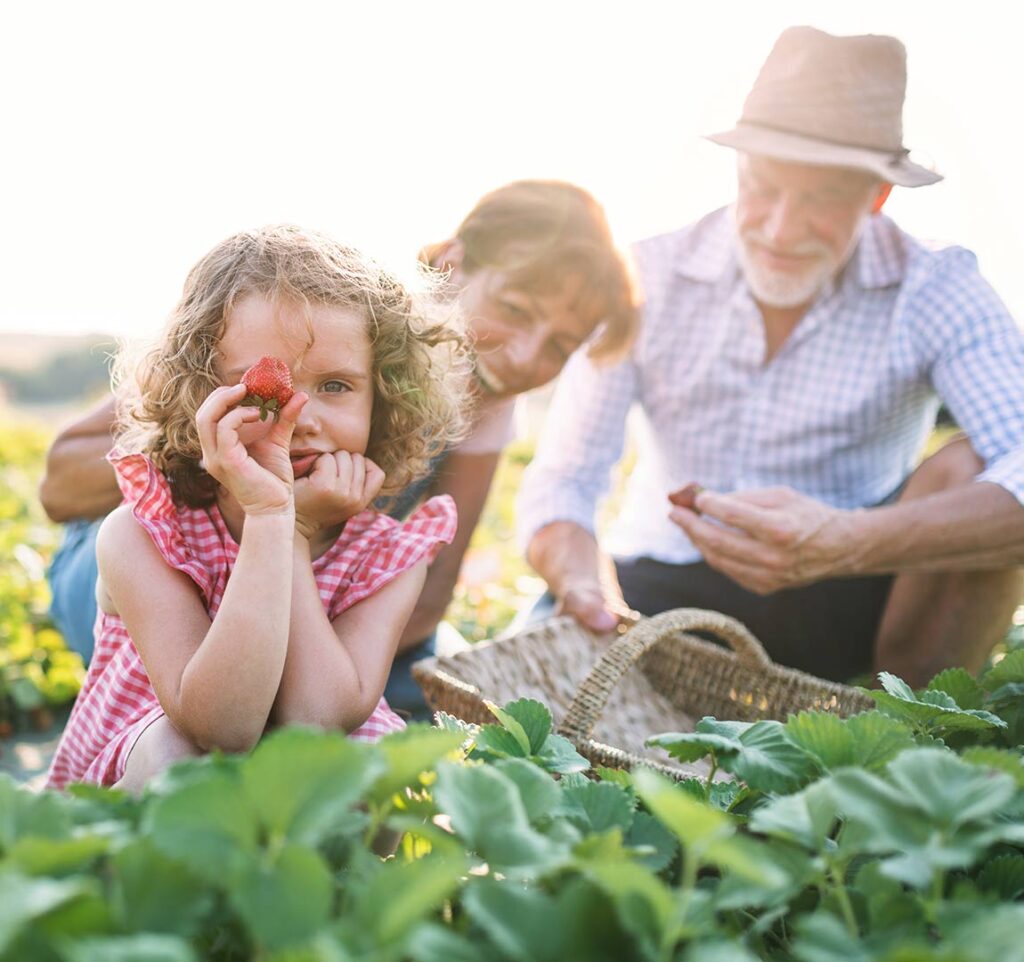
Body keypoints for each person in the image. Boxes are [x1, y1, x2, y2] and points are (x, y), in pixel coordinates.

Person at [517, 26, 1024, 689]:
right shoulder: (649, 278)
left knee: (978, 463)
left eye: (822, 199)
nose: (781, 229)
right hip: (660, 582)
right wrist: (583, 585)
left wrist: (844, 540)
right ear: (737, 171)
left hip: (858, 592)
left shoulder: (934, 287)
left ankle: (898, 734)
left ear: (876, 197)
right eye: (764, 188)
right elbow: (565, 478)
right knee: (534, 699)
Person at [38, 181, 639, 714]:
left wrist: (304, 614)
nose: (527, 356)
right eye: (514, 310)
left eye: (560, 346)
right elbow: (58, 485)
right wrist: (218, 456)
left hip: (317, 594)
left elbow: (428, 597)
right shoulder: (309, 312)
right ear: (453, 263)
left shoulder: (487, 404)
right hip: (169, 574)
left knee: (446, 685)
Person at [46, 224, 469, 791]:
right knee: (185, 760)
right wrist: (273, 519)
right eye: (264, 390)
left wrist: (292, 533)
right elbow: (219, 728)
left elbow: (319, 722)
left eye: (338, 386)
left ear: (385, 397)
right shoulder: (146, 534)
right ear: (199, 396)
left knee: (378, 765)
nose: (303, 417)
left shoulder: (389, 555)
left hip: (295, 781)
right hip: (151, 781)